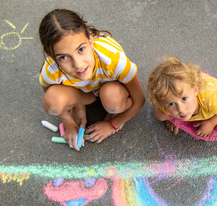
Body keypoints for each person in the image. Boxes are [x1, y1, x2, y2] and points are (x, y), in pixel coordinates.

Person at [38, 9, 145, 151]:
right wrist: (68, 121)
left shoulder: (114, 59)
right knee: (52, 101)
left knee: (113, 100)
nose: (78, 65)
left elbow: (139, 100)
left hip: (110, 89)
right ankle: (80, 105)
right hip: (83, 94)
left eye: (81, 49)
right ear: (50, 56)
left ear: (90, 40)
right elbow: (50, 95)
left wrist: (112, 124)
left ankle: (112, 111)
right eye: (63, 57)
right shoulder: (50, 71)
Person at [147, 56, 217, 141]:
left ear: (195, 90)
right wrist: (171, 119)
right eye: (171, 104)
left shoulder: (211, 102)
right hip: (193, 99)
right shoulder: (170, 102)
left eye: (184, 99)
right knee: (159, 114)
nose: (181, 109)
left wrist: (211, 123)